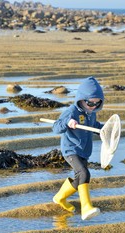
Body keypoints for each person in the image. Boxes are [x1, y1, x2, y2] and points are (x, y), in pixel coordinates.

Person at [52, 76, 104, 220]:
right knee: (84, 174)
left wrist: (104, 129)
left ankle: (59, 198)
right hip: (71, 150)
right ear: (81, 99)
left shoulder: (91, 113)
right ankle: (86, 208)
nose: (93, 106)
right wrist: (67, 123)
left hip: (84, 151)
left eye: (96, 103)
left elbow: (93, 127)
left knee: (78, 179)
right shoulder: (71, 111)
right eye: (89, 102)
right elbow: (56, 127)